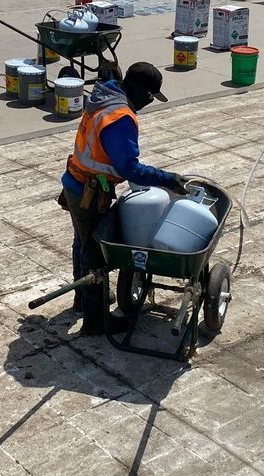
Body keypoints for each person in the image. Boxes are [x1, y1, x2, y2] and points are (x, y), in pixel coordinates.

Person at [61, 62, 187, 336]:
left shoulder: (104, 96)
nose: (149, 101)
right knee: (94, 252)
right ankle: (95, 321)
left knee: (82, 242)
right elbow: (128, 167)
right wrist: (168, 179)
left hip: (76, 182)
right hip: (88, 191)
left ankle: (84, 300)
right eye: (150, 95)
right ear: (137, 89)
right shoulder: (120, 117)